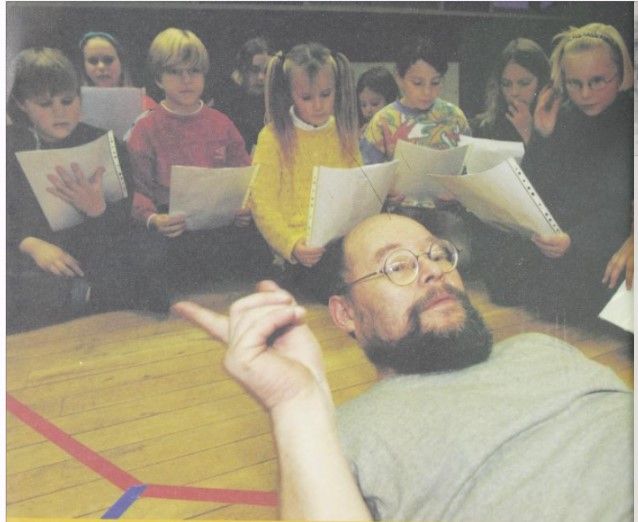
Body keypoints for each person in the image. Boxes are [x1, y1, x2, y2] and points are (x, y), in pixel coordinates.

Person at [175, 213, 632, 521]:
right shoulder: (334, 437)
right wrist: (295, 405)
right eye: (396, 266)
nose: (432, 271)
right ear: (345, 314)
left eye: (437, 254)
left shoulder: (540, 347)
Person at [470, 23, 634, 323]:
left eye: (597, 81)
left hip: (611, 237)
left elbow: (617, 203)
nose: (585, 94)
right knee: (505, 274)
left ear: (621, 74)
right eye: (574, 83)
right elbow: (544, 193)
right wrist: (542, 136)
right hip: (573, 240)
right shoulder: (565, 114)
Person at [6, 47, 150, 333]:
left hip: (92, 248)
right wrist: (30, 244)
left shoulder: (105, 142)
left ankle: (85, 296)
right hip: (34, 258)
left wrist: (97, 209)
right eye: (45, 104)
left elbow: (122, 223)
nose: (59, 112)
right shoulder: (9, 147)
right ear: (22, 104)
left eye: (67, 100)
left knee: (143, 256)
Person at [126, 28, 270, 298]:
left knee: (258, 249)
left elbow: (245, 176)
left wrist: (245, 208)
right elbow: (138, 189)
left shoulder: (222, 123)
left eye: (193, 71)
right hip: (172, 225)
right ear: (158, 78)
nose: (186, 80)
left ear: (204, 75)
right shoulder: (145, 128)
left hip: (220, 221)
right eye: (175, 72)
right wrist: (154, 219)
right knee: (151, 260)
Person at [249, 42, 361, 298]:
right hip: (300, 251)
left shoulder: (344, 132)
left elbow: (357, 189)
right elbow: (262, 203)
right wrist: (292, 245)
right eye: (307, 98)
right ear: (289, 94)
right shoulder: (272, 137)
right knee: (339, 279)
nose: (318, 105)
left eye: (326, 94)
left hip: (342, 240)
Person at [471, 38, 550, 144]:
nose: (514, 92)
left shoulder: (558, 124)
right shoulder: (482, 128)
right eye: (506, 84)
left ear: (541, 82)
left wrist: (528, 132)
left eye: (524, 83)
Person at [212, 37, 273, 153]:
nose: (261, 77)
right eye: (254, 70)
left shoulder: (274, 104)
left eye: (267, 71)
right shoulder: (224, 102)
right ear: (242, 70)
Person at [78, 31, 157, 110]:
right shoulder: (75, 106)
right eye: (93, 61)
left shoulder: (144, 104)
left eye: (108, 60)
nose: (101, 66)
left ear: (121, 62)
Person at [356, 65, 399, 135]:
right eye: (363, 105)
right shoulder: (362, 130)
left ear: (390, 101)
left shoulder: (400, 125)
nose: (368, 110)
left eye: (374, 104)